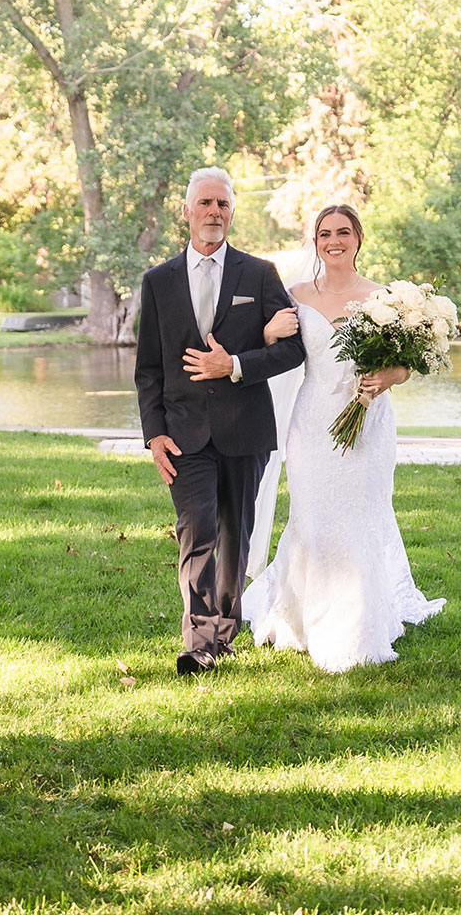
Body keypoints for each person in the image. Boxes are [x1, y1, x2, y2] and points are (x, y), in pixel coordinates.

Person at [242, 204, 446, 673]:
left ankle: (359, 619)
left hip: (369, 425)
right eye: (324, 234)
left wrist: (388, 377)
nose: (334, 241)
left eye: (343, 232)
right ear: (315, 242)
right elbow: (265, 349)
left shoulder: (388, 299)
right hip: (312, 423)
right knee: (311, 518)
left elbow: (409, 363)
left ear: (358, 238)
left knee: (362, 515)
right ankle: (304, 617)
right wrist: (268, 333)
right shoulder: (292, 295)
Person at [135, 167, 305, 675]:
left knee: (236, 534)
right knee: (197, 531)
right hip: (184, 432)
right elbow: (148, 369)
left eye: (222, 205)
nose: (214, 212)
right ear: (186, 211)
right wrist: (154, 433)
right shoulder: (157, 281)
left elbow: (294, 349)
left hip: (244, 428)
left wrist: (234, 364)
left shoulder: (259, 274)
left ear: (232, 212)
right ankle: (199, 641)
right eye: (205, 203)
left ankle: (224, 633)